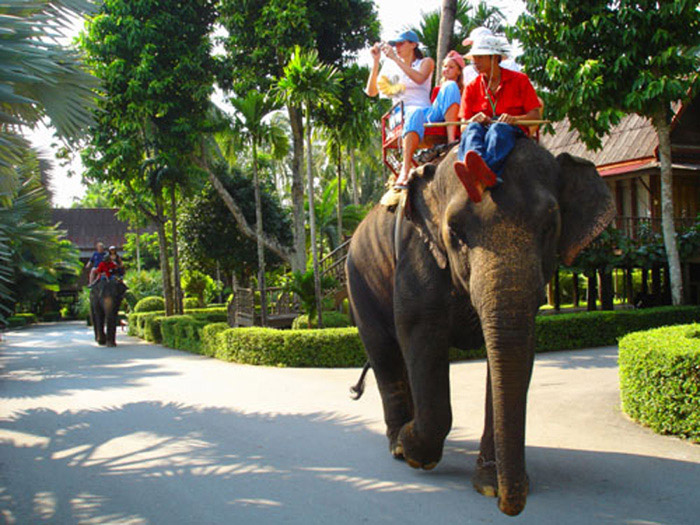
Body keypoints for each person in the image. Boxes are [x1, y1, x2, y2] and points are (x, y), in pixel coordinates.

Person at [453, 34, 542, 197]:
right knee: (472, 129)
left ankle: (484, 172)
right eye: (474, 58)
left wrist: (515, 119)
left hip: (510, 130)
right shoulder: (472, 87)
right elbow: (464, 125)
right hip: (482, 129)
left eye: (480, 57)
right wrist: (474, 120)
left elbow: (535, 115)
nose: (475, 62)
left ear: (494, 58)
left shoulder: (520, 80)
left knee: (498, 129)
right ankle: (476, 170)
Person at [365, 30, 435, 189]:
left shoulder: (425, 62)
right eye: (395, 45)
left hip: (427, 112)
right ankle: (405, 168)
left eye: (401, 43)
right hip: (404, 114)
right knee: (415, 113)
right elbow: (371, 92)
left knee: (449, 89)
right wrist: (376, 61)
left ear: (413, 45)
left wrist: (395, 59)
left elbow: (419, 79)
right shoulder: (392, 68)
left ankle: (452, 143)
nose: (397, 47)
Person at [428, 50, 466, 144]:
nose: (447, 69)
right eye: (445, 66)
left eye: (451, 67)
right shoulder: (438, 90)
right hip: (438, 118)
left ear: (458, 71)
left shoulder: (464, 90)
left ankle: (452, 138)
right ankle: (451, 139)